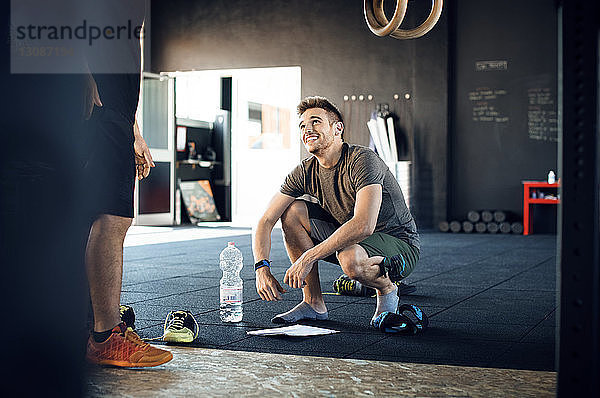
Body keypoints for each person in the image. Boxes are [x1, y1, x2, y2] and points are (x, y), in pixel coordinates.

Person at [252, 96, 420, 325]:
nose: (307, 129)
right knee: (291, 213)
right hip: (353, 241)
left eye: (315, 122)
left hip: (398, 244)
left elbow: (364, 225)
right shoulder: (305, 171)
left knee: (350, 259)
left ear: (337, 128)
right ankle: (313, 303)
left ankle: (388, 288)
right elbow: (266, 220)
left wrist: (307, 258)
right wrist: (261, 267)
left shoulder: (362, 160)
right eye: (302, 125)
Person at [82, 3, 173, 367]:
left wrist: (131, 127)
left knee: (97, 215)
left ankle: (93, 328)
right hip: (96, 106)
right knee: (110, 216)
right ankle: (105, 335)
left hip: (115, 113)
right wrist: (78, 76)